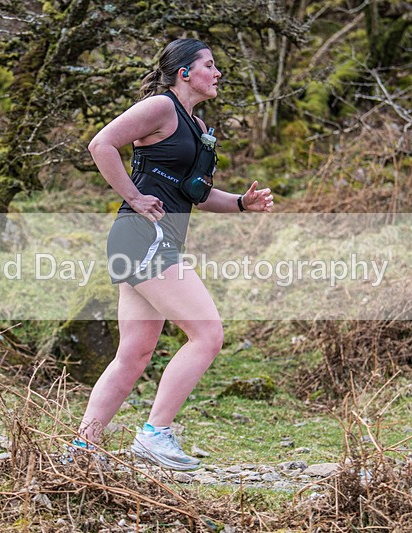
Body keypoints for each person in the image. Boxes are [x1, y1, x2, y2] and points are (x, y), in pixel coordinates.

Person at [76, 38, 274, 471]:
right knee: (208, 334)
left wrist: (242, 203)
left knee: (133, 355)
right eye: (209, 65)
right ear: (184, 72)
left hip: (148, 239)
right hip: (144, 236)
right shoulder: (160, 107)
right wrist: (134, 196)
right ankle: (155, 434)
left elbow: (196, 195)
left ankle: (83, 449)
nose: (217, 73)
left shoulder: (196, 124)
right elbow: (101, 144)